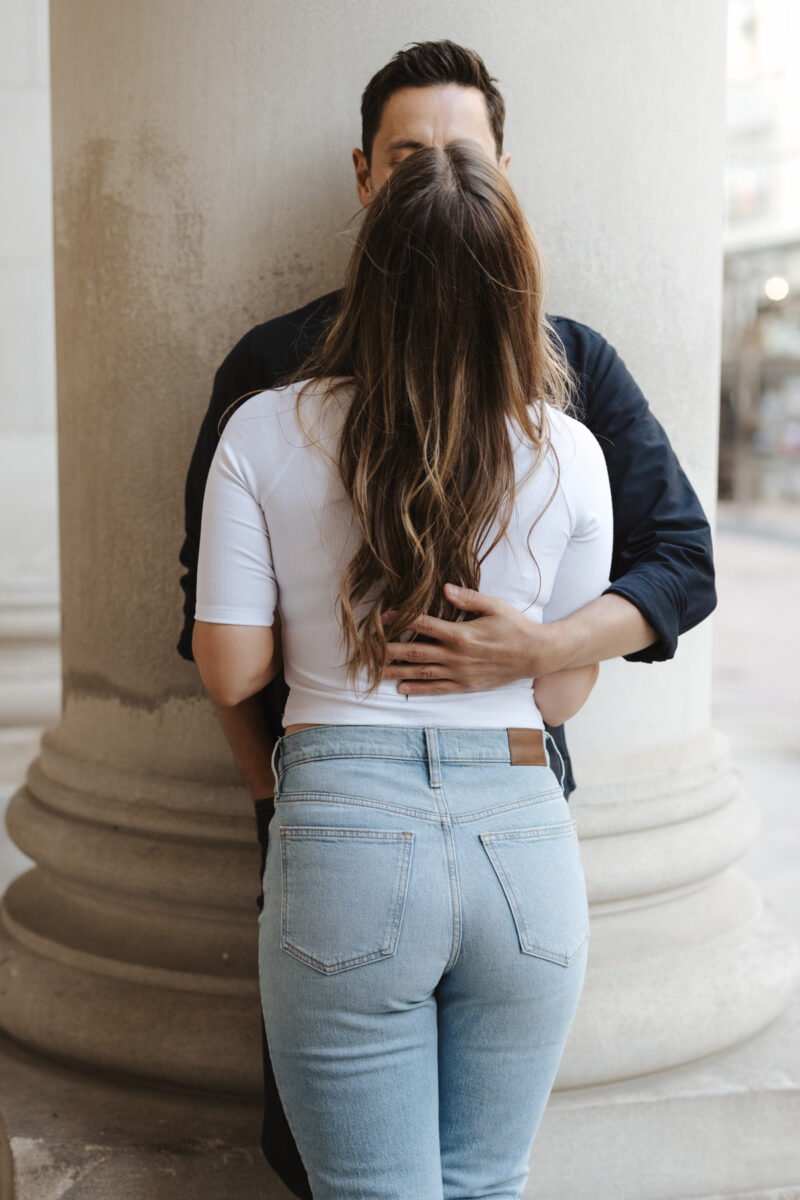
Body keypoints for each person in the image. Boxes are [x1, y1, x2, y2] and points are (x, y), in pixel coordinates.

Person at [179, 40, 716, 1200]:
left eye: (453, 155)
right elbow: (562, 698)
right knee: (484, 1188)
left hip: (342, 820)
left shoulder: (271, 419)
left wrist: (532, 644)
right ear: (365, 172)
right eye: (413, 153)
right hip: (523, 835)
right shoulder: (562, 433)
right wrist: (536, 659)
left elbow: (223, 663)